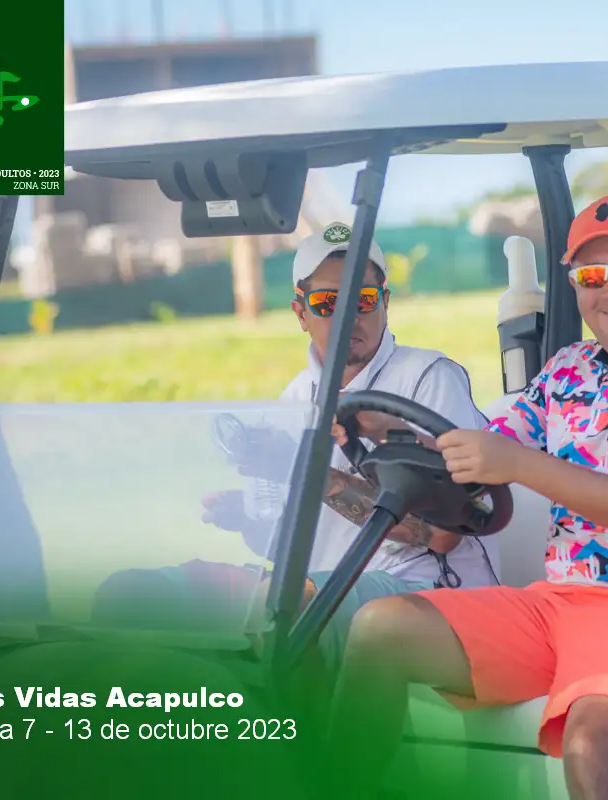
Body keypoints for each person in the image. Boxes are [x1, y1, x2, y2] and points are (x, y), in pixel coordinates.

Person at [327, 195, 608, 800]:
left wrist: (520, 465)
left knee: (591, 744)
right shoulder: (567, 371)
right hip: (563, 601)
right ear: (574, 286)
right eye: (592, 276)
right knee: (381, 628)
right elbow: (487, 449)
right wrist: (385, 430)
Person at [198, 221, 502, 673]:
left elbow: (440, 534)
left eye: (363, 300)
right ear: (300, 313)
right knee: (143, 592)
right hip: (325, 587)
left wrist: (304, 471)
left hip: (427, 593)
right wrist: (245, 522)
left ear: (385, 302)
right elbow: (291, 542)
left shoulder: (429, 378)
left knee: (285, 606)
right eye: (326, 303)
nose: (346, 318)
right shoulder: (294, 397)